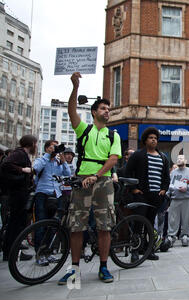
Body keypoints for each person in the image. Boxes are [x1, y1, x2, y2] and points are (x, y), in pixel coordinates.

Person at [58, 72, 122, 285]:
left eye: (109, 109)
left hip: (102, 182)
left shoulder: (114, 135)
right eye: (103, 108)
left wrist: (96, 176)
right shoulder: (84, 130)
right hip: (81, 180)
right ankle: (74, 269)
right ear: (94, 112)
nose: (107, 111)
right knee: (76, 226)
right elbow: (71, 111)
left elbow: (113, 159)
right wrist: (75, 87)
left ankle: (104, 267)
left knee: (105, 226)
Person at [125, 126, 170, 260]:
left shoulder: (163, 157)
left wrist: (163, 189)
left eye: (155, 138)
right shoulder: (138, 155)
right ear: (145, 140)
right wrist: (134, 189)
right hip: (141, 194)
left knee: (150, 223)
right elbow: (128, 172)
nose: (153, 140)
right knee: (139, 222)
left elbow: (166, 177)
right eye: (151, 138)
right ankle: (135, 251)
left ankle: (148, 250)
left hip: (157, 196)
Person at [33, 140, 71, 265]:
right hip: (42, 194)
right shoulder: (41, 160)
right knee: (40, 224)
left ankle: (47, 253)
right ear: (47, 148)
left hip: (56, 195)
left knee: (52, 225)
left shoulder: (58, 162)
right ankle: (39, 254)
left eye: (56, 147)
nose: (55, 149)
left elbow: (67, 174)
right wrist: (48, 156)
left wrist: (63, 160)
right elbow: (36, 168)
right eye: (52, 147)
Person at [1, 135, 38, 261]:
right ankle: (11, 252)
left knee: (17, 223)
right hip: (17, 195)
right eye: (35, 143)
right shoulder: (19, 153)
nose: (36, 146)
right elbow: (5, 165)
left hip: (20, 194)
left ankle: (13, 251)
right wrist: (23, 169)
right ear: (32, 143)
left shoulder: (22, 154)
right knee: (15, 223)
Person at [167, 155, 189, 247]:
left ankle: (185, 235)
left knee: (187, 218)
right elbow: (169, 184)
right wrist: (167, 194)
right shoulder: (173, 172)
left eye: (181, 158)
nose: (179, 160)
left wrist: (187, 188)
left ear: (186, 160)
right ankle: (171, 236)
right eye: (177, 159)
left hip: (187, 198)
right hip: (175, 198)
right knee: (172, 219)